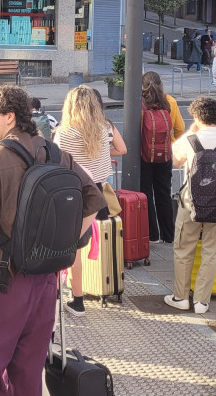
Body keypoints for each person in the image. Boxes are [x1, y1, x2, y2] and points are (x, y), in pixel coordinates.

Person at [0, 85, 105, 395]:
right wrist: (65, 242)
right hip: (43, 282)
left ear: (9, 117)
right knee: (28, 375)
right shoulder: (54, 152)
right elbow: (94, 199)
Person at [54, 85, 126, 317]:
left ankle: (73, 300)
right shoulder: (105, 128)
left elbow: (57, 163)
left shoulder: (64, 132)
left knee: (67, 246)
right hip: (98, 193)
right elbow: (122, 149)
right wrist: (103, 153)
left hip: (72, 193)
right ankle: (82, 296)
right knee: (81, 247)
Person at [165, 97, 216, 313]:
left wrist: (191, 131)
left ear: (197, 117)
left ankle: (180, 297)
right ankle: (201, 301)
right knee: (211, 251)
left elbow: (176, 162)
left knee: (183, 248)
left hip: (190, 202)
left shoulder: (190, 139)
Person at [139, 71, 185, 243]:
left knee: (146, 193)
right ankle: (168, 234)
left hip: (144, 155)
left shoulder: (140, 104)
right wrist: (168, 143)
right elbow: (180, 129)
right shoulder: (170, 101)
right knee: (163, 192)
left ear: (142, 86)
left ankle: (153, 235)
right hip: (164, 155)